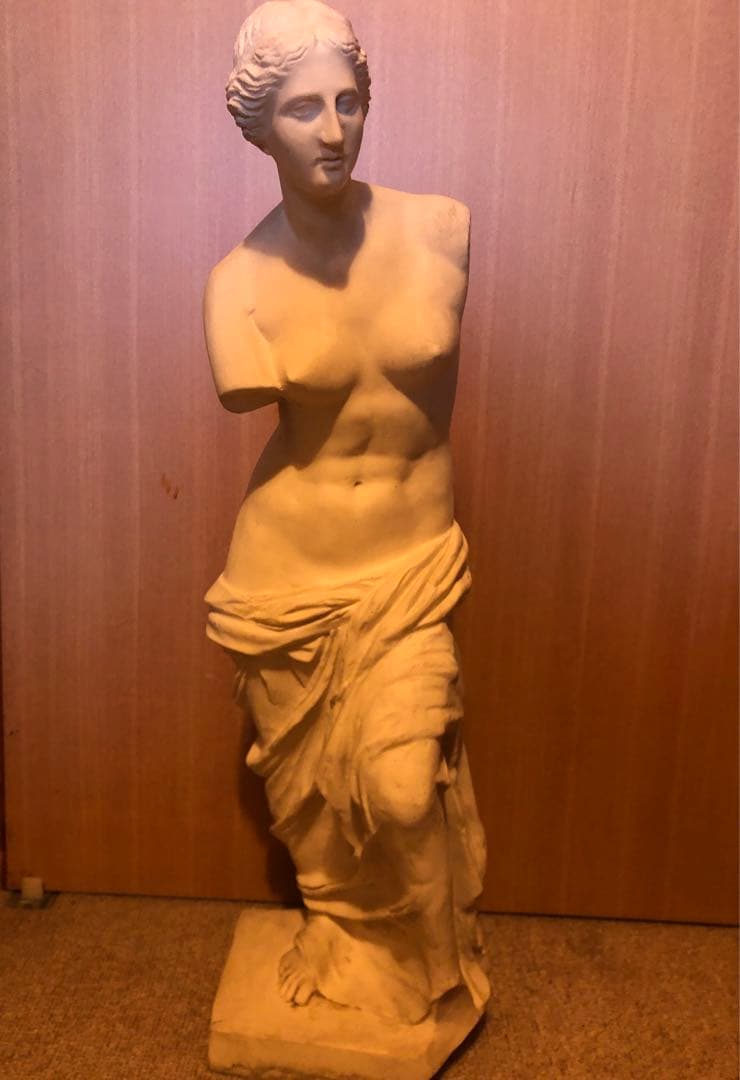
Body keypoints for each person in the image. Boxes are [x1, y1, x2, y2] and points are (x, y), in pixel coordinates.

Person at [204, 0, 489, 1026]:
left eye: (348, 102)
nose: (332, 130)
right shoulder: (238, 285)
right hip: (285, 579)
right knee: (313, 801)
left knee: (403, 791)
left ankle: (434, 961)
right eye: (301, 110)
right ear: (257, 127)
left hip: (407, 566)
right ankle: (337, 925)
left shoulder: (441, 226)